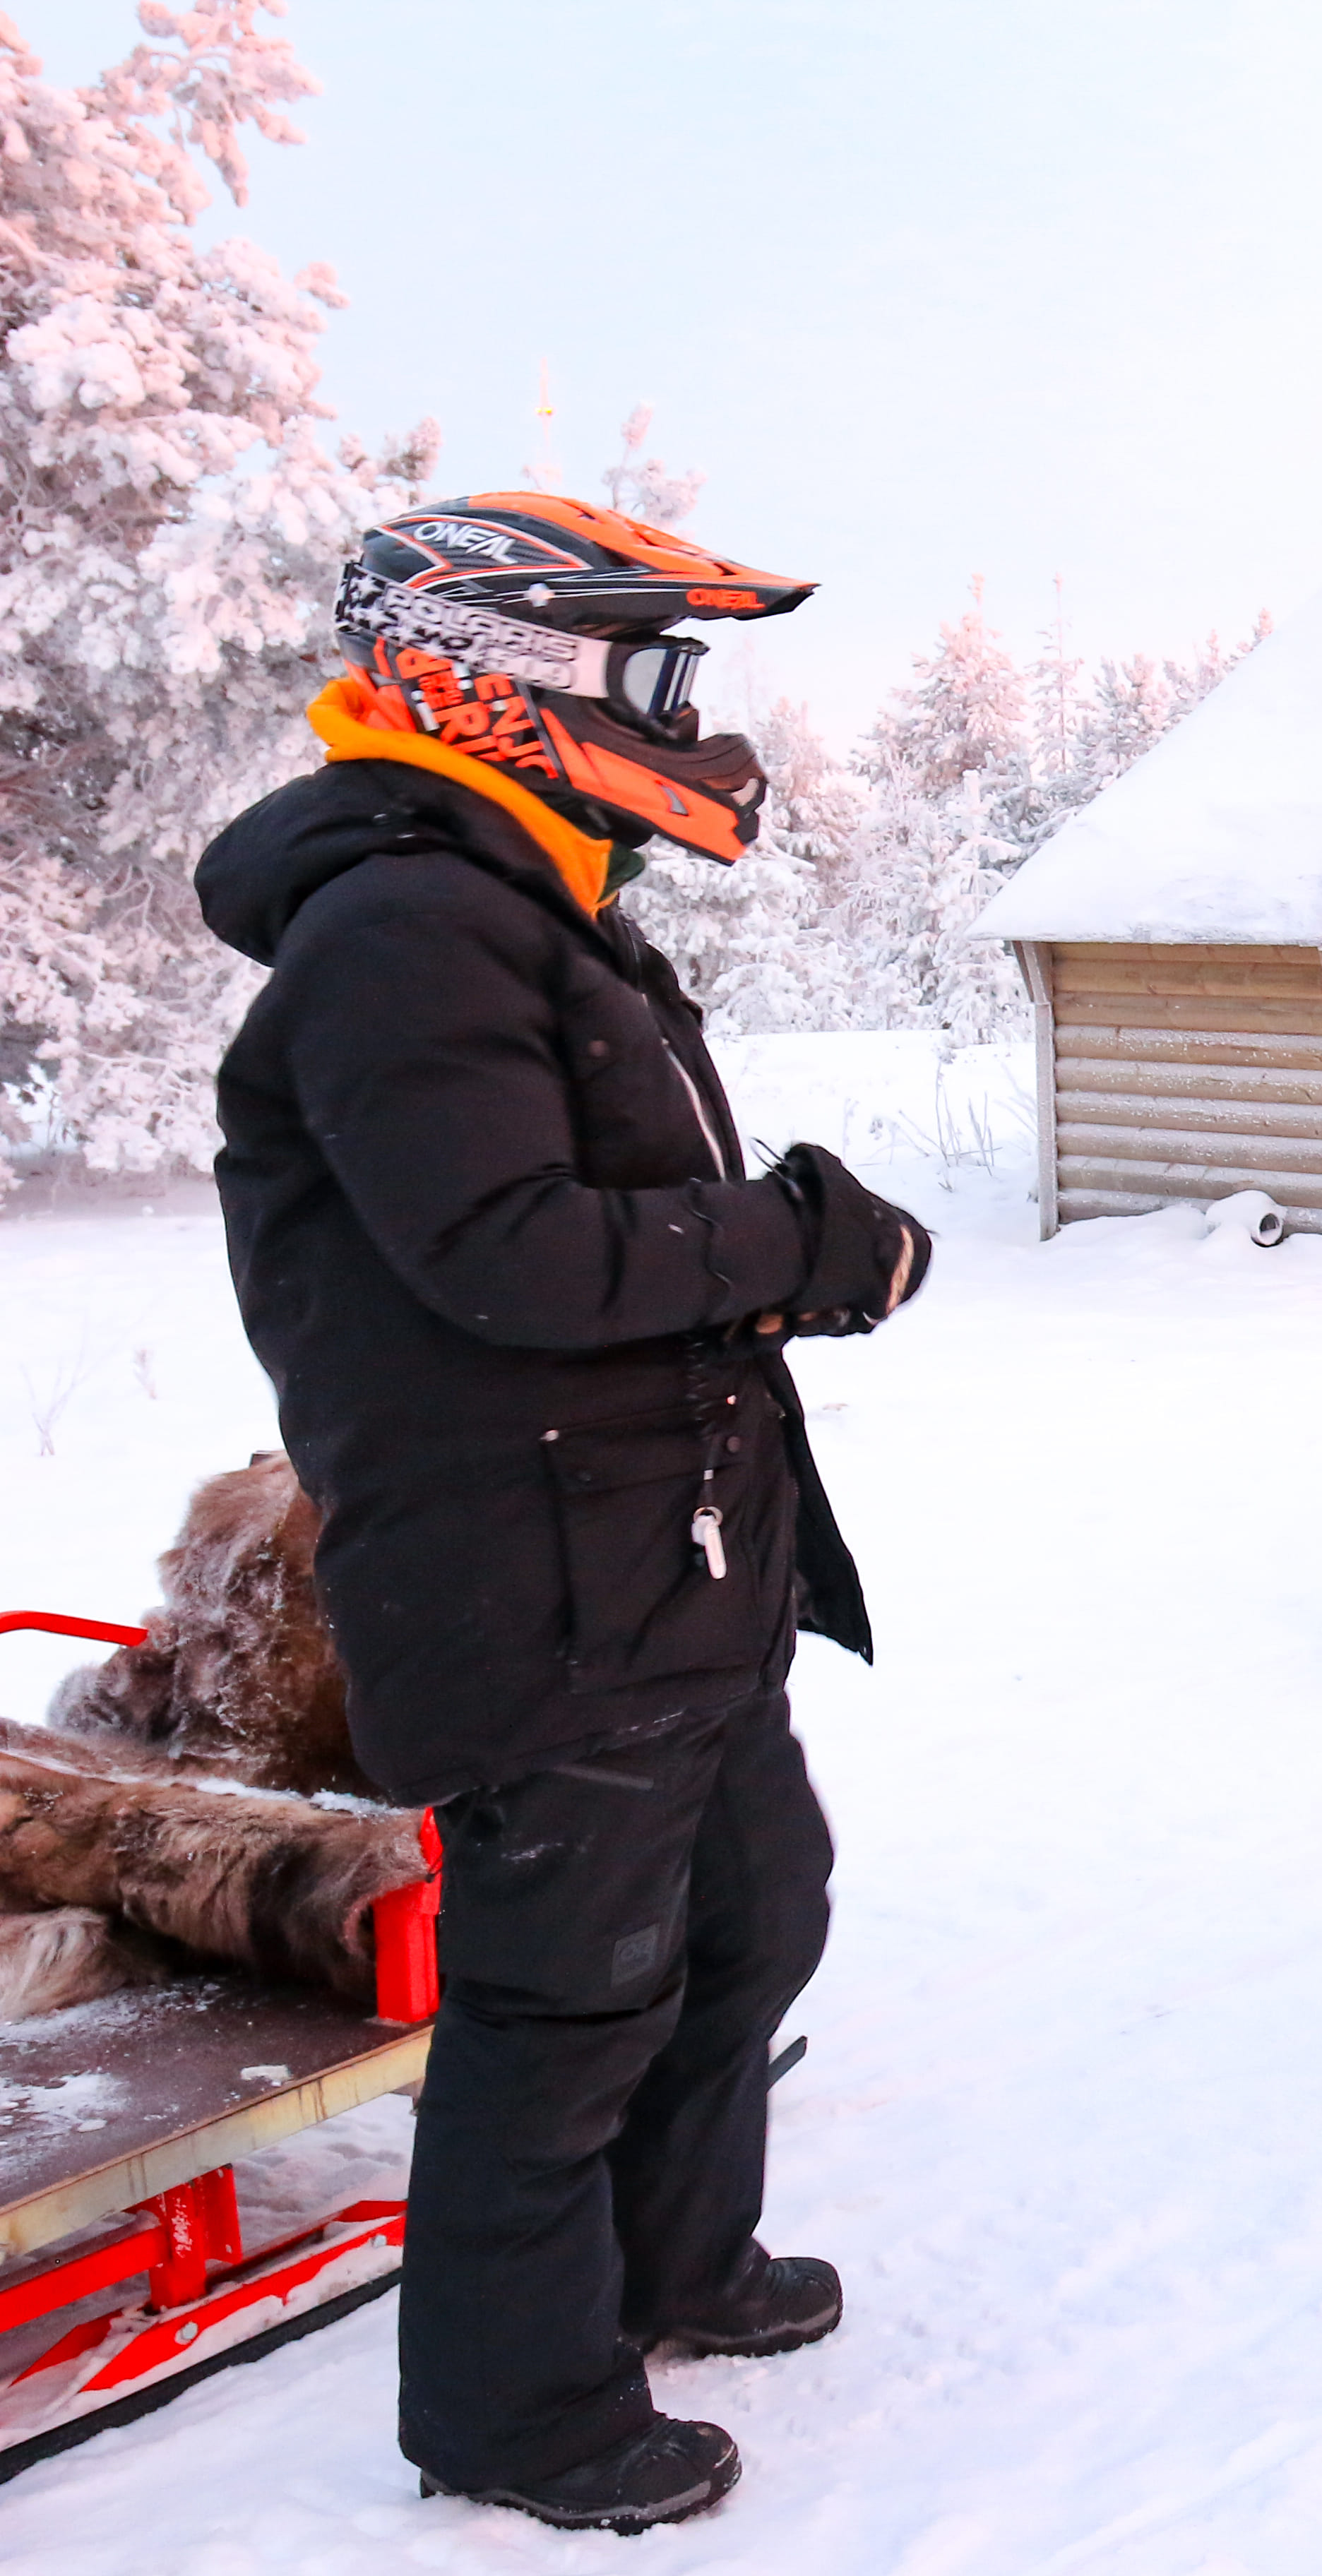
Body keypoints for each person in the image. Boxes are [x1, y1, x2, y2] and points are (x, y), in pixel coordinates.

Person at [196, 495, 932, 2535]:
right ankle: (517, 2409)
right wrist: (789, 1242)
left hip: (659, 1567)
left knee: (748, 1914)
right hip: (535, 1590)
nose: (691, 721)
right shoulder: (402, 930)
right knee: (566, 1996)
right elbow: (505, 1253)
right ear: (503, 676)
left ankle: (674, 2264)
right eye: (653, 675)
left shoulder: (515, 911)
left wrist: (773, 1257)